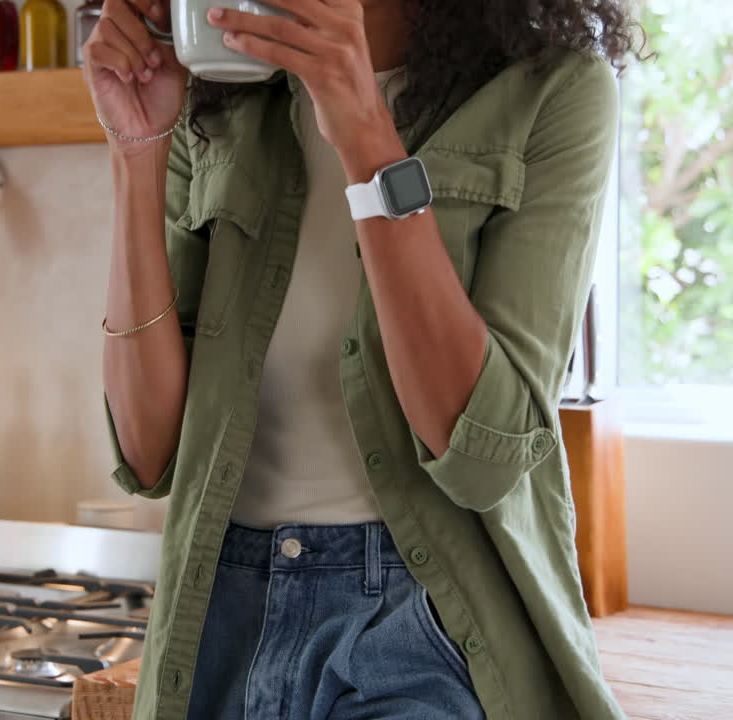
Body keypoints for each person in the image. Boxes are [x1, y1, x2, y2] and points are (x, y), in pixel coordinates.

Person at [85, 0, 641, 717]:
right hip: (219, 611)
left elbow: (484, 456)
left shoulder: (552, 88)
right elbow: (148, 453)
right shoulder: (222, 94)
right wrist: (136, 153)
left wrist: (366, 134)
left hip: (419, 622)